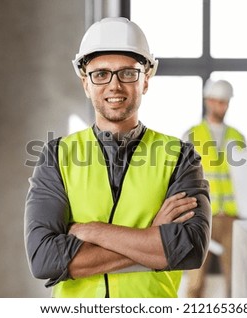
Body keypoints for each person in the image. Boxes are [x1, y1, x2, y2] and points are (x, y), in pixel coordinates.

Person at [24, 17, 211, 298]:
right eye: (100, 74)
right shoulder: (57, 156)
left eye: (128, 73)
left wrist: (93, 231)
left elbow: (190, 249)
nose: (114, 85)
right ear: (85, 83)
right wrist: (151, 237)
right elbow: (44, 258)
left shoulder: (179, 157)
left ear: (146, 79)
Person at [183, 78, 246, 298]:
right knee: (195, 278)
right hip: (201, 215)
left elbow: (245, 178)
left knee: (235, 279)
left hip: (230, 216)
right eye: (218, 101)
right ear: (208, 101)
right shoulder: (192, 134)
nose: (222, 106)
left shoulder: (237, 137)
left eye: (225, 102)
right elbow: (182, 177)